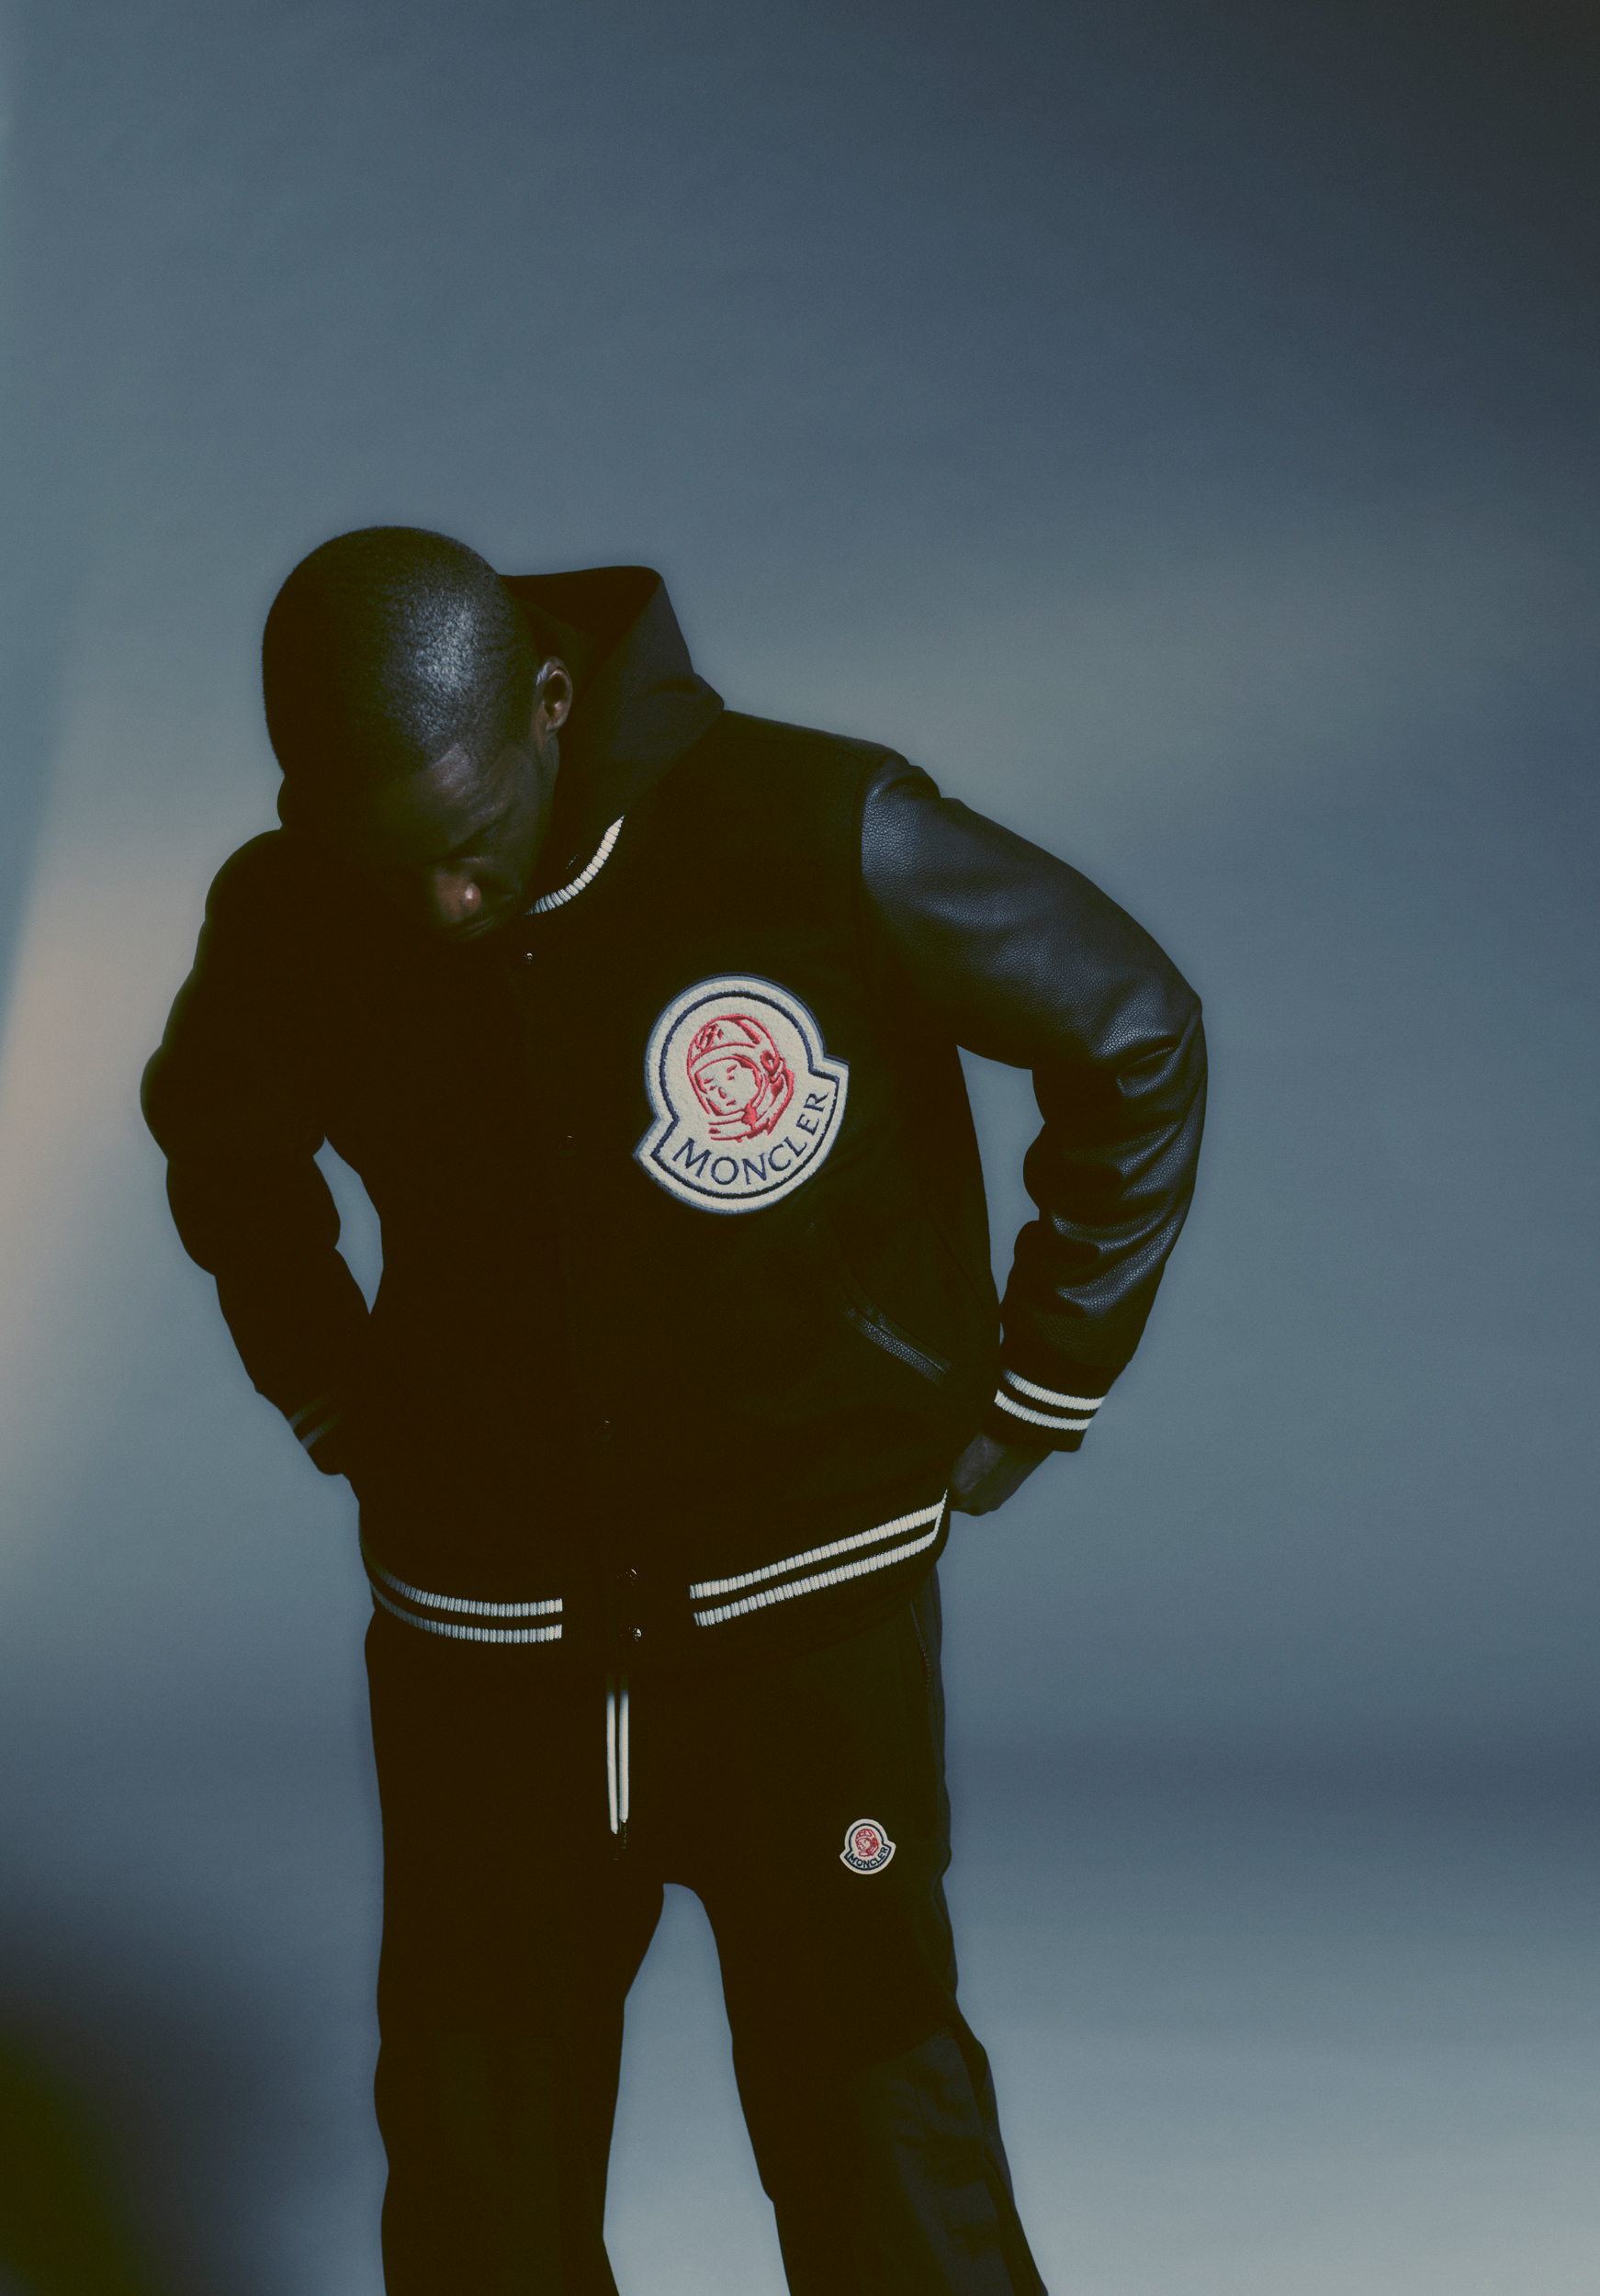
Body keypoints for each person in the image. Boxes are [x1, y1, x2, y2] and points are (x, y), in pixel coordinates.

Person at [141, 527, 1207, 2295]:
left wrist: (1044, 1379)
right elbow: (219, 1143)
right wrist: (331, 1391)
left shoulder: (818, 831)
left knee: (872, 2113)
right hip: (483, 1653)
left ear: (551, 706)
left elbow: (1134, 1026)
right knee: (480, 2152)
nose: (443, 907)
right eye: (387, 861)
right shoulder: (289, 905)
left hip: (801, 1623)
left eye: (471, 841)